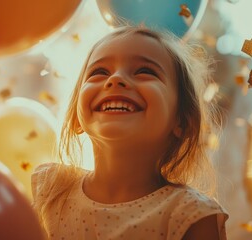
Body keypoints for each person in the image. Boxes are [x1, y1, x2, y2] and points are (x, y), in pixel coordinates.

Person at [32, 25, 229, 240]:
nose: (115, 79)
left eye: (145, 71)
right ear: (77, 117)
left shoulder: (192, 215)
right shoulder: (52, 190)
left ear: (181, 120)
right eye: (99, 72)